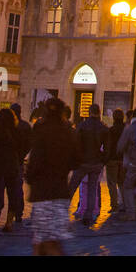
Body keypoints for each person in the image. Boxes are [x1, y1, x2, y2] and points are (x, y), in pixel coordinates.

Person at [26, 97, 82, 255]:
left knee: (41, 240)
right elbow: (77, 160)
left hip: (42, 191)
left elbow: (35, 160)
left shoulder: (41, 129)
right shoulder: (68, 131)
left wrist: (30, 179)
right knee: (53, 239)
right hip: (60, 190)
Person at [69, 103, 108, 226]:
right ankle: (88, 216)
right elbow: (108, 147)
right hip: (96, 162)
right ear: (99, 112)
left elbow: (75, 144)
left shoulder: (82, 125)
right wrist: (103, 161)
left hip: (83, 162)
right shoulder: (103, 127)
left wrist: (76, 159)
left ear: (90, 112)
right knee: (92, 190)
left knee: (72, 187)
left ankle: (62, 211)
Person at [9, 103, 32, 225]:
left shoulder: (7, 126)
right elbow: (29, 144)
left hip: (8, 161)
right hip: (19, 161)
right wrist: (23, 155)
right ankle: (18, 213)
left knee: (3, 188)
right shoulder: (25, 126)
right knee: (17, 188)